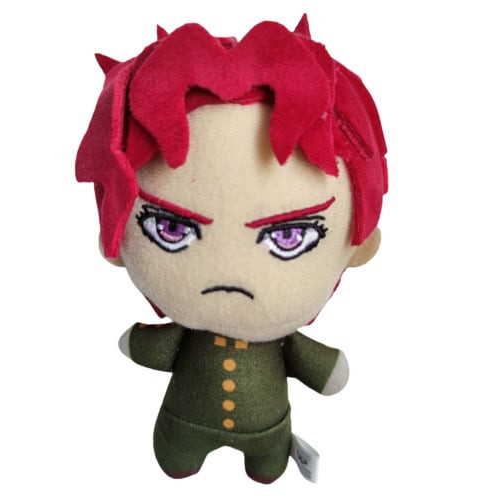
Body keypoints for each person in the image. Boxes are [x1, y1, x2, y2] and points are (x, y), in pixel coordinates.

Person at [76, 16, 388, 483]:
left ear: (358, 245)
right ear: (115, 237)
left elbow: (317, 366)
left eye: (288, 236)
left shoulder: (280, 340)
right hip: (183, 425)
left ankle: (265, 463)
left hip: (267, 434)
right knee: (175, 458)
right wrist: (139, 343)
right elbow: (153, 347)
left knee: (266, 467)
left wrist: (137, 343)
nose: (229, 271)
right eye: (170, 228)